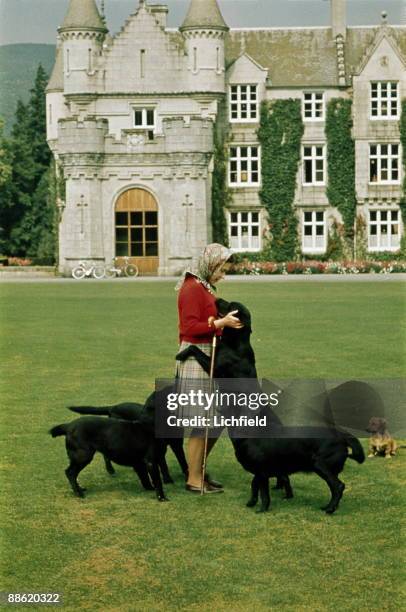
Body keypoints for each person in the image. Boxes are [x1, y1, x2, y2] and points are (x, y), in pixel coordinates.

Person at [175, 243, 242, 493]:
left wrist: (223, 324)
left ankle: (199, 471)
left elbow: (206, 321)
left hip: (207, 354)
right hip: (195, 356)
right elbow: (189, 328)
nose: (223, 275)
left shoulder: (202, 286)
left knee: (213, 420)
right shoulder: (191, 288)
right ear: (210, 265)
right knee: (202, 421)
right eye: (221, 270)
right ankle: (193, 478)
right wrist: (220, 322)